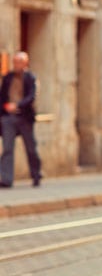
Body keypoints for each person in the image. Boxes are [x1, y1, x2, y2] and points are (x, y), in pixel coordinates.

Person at [0, 51, 42, 188]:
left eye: (19, 62)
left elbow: (32, 96)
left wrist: (18, 105)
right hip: (8, 117)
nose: (16, 65)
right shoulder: (8, 78)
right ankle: (6, 179)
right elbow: (2, 96)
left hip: (24, 117)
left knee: (31, 148)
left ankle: (36, 174)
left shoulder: (31, 77)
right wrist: (5, 107)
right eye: (14, 62)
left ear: (25, 63)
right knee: (7, 148)